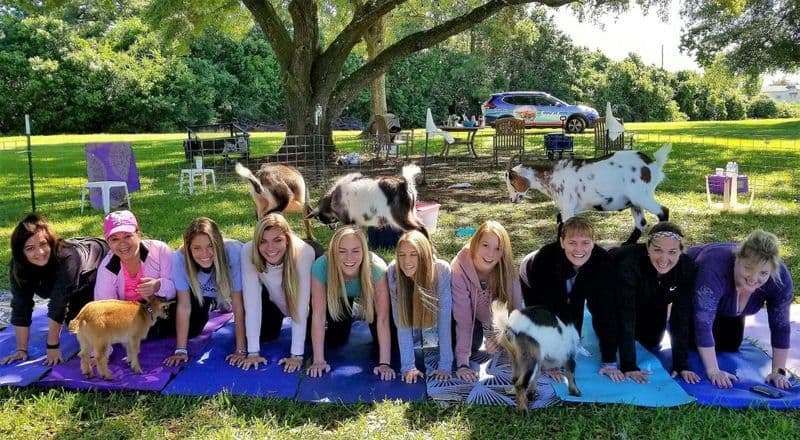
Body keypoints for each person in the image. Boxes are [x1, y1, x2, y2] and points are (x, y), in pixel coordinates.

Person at [519, 216, 621, 382]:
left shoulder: (603, 261)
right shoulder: (544, 261)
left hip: (575, 273)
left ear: (593, 243)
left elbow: (606, 311)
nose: (579, 249)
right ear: (562, 242)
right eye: (572, 242)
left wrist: (609, 362)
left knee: (580, 310)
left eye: (585, 243)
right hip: (533, 274)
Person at [689, 229, 793, 389]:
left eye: (763, 273)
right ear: (737, 259)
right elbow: (702, 322)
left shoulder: (780, 280)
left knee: (730, 344)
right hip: (689, 289)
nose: (753, 278)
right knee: (690, 341)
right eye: (748, 268)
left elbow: (781, 327)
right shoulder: (713, 267)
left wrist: (778, 371)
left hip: (726, 306)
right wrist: (713, 371)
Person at [1, 214, 108, 366]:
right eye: (30, 248)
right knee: (73, 324)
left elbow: (59, 303)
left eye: (43, 244)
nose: (39, 252)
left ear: (51, 243)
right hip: (70, 278)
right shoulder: (18, 266)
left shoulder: (67, 258)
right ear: (20, 252)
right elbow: (21, 305)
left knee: (92, 326)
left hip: (95, 266)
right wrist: (21, 350)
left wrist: (52, 346)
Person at [609, 221, 700, 384]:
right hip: (618, 297)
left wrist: (682, 364)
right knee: (614, 336)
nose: (664, 259)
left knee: (652, 340)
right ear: (648, 248)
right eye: (658, 250)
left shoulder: (687, 268)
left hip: (655, 297)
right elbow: (626, 314)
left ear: (681, 251)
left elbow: (681, 317)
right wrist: (629, 365)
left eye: (672, 252)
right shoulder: (629, 264)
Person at [306, 225, 395, 381]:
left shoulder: (376, 268)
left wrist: (384, 363)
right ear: (334, 252)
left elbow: (383, 318)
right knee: (336, 339)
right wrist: (318, 360)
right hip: (339, 297)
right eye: (342, 251)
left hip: (370, 297)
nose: (349, 258)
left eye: (355, 251)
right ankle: (352, 310)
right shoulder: (321, 266)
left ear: (364, 251)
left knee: (390, 344)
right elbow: (318, 314)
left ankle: (360, 309)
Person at [238, 213, 316, 373]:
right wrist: (253, 352)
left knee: (333, 339)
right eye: (263, 242)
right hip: (276, 298)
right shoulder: (248, 251)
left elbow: (301, 307)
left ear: (287, 239)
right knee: (263, 335)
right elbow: (251, 302)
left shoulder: (304, 252)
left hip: (311, 302)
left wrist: (296, 355)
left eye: (277, 240)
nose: (270, 248)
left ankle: (354, 309)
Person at [163, 217, 244, 367]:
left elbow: (238, 305)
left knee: (264, 333)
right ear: (188, 248)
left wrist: (241, 350)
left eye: (210, 246)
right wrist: (181, 350)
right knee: (193, 328)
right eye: (197, 248)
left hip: (237, 289)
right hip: (204, 291)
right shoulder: (179, 259)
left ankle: (221, 301)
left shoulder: (234, 253)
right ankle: (216, 302)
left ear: (218, 244)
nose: (204, 253)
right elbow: (184, 305)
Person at [451, 220, 522, 382]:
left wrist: (500, 337)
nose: (491, 254)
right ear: (475, 243)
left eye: (498, 248)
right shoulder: (458, 268)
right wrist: (462, 363)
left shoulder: (508, 271)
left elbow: (516, 315)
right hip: (466, 318)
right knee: (470, 346)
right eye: (485, 245)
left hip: (497, 321)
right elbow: (463, 320)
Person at [94, 210, 176, 338]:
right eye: (114, 239)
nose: (122, 244)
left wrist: (158, 286)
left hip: (162, 307)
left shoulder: (160, 250)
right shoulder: (107, 269)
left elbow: (175, 291)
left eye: (127, 236)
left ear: (138, 234)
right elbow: (103, 311)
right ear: (108, 243)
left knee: (192, 321)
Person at [387, 230, 453, 383]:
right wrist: (408, 366)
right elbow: (401, 323)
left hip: (432, 320)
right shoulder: (393, 272)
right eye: (402, 255)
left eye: (413, 254)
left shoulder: (441, 270)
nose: (406, 261)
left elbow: (445, 319)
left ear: (423, 255)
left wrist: (445, 365)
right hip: (410, 320)